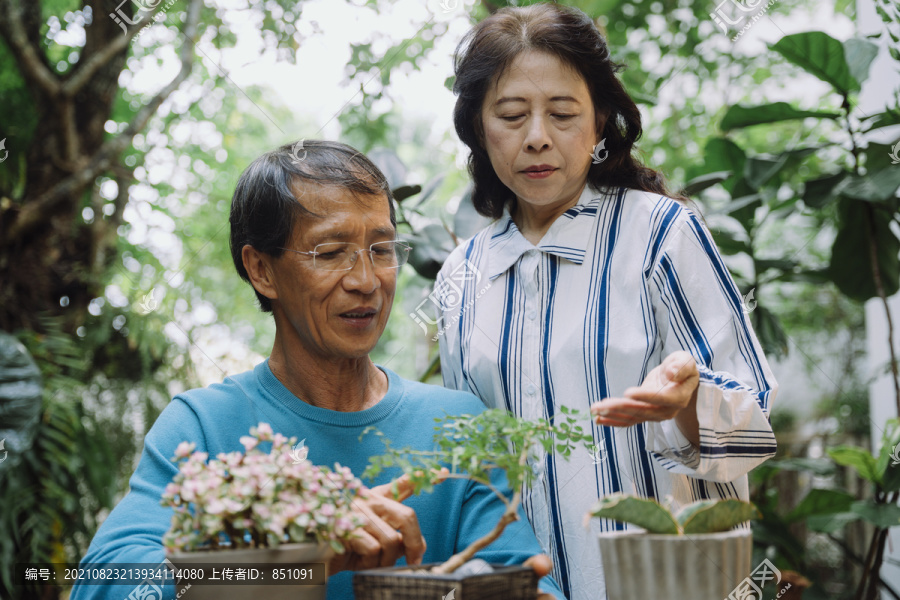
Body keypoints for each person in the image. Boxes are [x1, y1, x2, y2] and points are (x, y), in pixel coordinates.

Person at [71, 140, 564, 600]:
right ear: (262, 270)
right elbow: (106, 580)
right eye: (330, 254)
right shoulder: (202, 425)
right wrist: (294, 558)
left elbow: (518, 572)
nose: (366, 281)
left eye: (382, 249)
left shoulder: (456, 424)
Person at [435, 5, 778, 600]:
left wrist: (688, 403)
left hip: (671, 587)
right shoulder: (463, 274)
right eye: (511, 115)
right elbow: (472, 467)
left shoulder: (662, 234)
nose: (537, 135)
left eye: (563, 114)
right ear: (477, 128)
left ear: (599, 124)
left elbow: (754, 424)